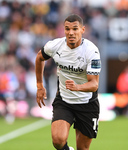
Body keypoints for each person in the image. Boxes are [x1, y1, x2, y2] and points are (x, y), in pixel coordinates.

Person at [35, 14, 101, 150]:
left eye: (75, 29)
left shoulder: (91, 51)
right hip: (64, 101)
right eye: (67, 29)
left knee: (82, 148)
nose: (71, 33)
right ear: (63, 30)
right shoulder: (55, 46)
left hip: (87, 103)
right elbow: (39, 58)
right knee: (58, 141)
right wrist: (40, 86)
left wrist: (77, 87)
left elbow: (94, 84)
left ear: (83, 30)